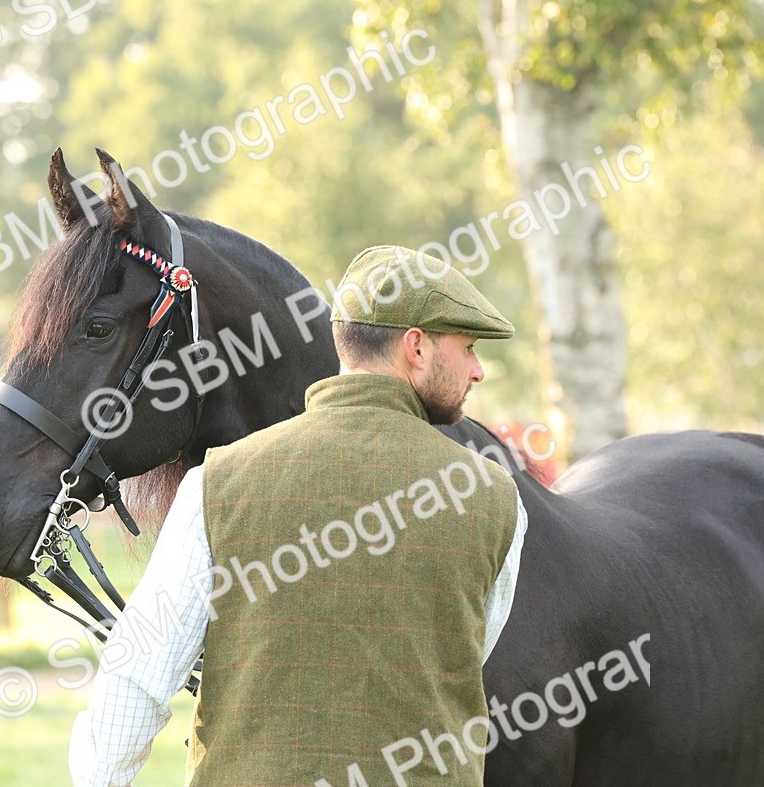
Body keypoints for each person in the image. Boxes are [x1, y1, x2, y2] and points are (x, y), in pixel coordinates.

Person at [69, 245, 528, 786]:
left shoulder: (216, 485)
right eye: (468, 348)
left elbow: (136, 677)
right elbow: (467, 653)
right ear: (417, 347)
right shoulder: (493, 495)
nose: (477, 370)